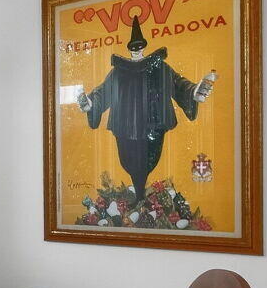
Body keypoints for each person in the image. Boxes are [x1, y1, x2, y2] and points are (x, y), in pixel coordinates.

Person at [77, 15, 215, 202]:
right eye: (133, 47)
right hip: (125, 128)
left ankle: (140, 195)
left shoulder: (160, 67)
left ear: (143, 46)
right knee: (128, 162)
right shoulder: (118, 71)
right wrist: (90, 103)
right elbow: (103, 91)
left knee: (149, 161)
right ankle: (139, 196)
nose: (136, 50)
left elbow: (178, 83)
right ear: (129, 49)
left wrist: (194, 92)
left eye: (138, 46)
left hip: (153, 127)